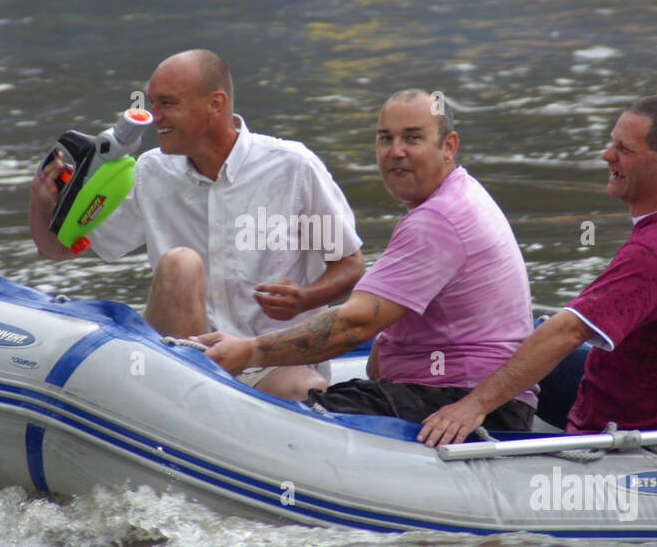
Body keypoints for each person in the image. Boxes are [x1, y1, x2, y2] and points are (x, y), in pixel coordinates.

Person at [417, 94, 657, 448]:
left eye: (624, 149)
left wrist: (473, 405)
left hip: (625, 428)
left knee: (540, 339)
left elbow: (569, 331)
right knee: (534, 333)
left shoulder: (656, 250)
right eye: (611, 143)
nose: (607, 156)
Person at [28, 49, 364, 401]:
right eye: (151, 103)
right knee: (180, 264)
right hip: (177, 357)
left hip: (271, 361)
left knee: (307, 390)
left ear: (215, 104)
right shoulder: (149, 171)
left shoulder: (294, 167)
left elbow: (351, 265)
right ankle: (196, 398)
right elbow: (56, 249)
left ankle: (208, 408)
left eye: (167, 104)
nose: (153, 118)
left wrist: (304, 299)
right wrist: (42, 198)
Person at [199, 89, 538, 430]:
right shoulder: (457, 195)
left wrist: (251, 350)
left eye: (413, 138)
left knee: (288, 419)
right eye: (385, 139)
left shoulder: (438, 220)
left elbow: (354, 324)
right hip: (458, 392)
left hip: (466, 402)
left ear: (448, 146)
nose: (396, 152)